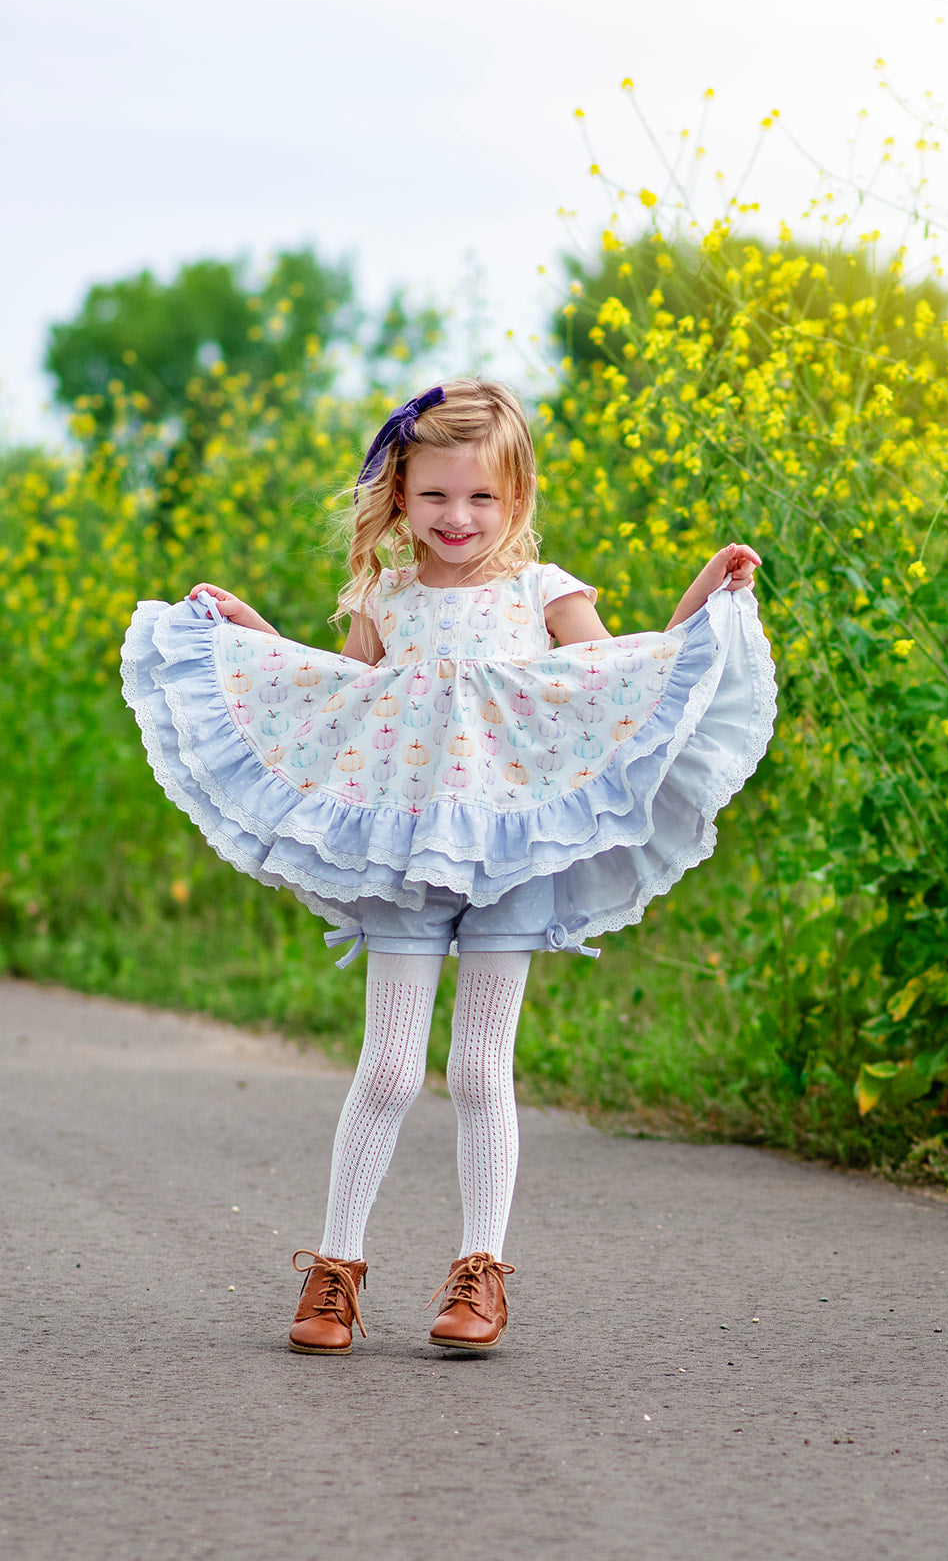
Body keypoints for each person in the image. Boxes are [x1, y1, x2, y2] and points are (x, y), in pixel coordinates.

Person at [121, 378, 775, 1357]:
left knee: (477, 1067)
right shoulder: (386, 597)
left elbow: (617, 689)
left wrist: (702, 602)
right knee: (385, 1067)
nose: (456, 518)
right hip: (401, 854)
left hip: (510, 856)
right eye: (433, 496)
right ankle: (333, 1271)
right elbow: (342, 698)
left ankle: (479, 1276)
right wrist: (251, 637)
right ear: (399, 494)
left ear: (514, 498)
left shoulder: (541, 592)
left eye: (480, 498)